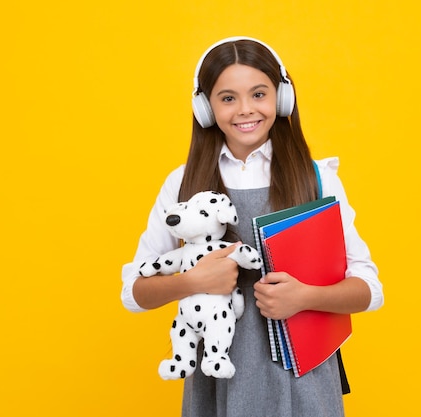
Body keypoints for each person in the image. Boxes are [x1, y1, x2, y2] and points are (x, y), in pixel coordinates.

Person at [121, 36, 383, 417]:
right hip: (218, 377)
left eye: (259, 94)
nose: (245, 110)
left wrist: (306, 297)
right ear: (205, 108)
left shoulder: (318, 178)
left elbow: (369, 289)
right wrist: (193, 282)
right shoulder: (182, 183)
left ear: (281, 98)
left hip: (303, 379)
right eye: (228, 98)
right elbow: (134, 293)